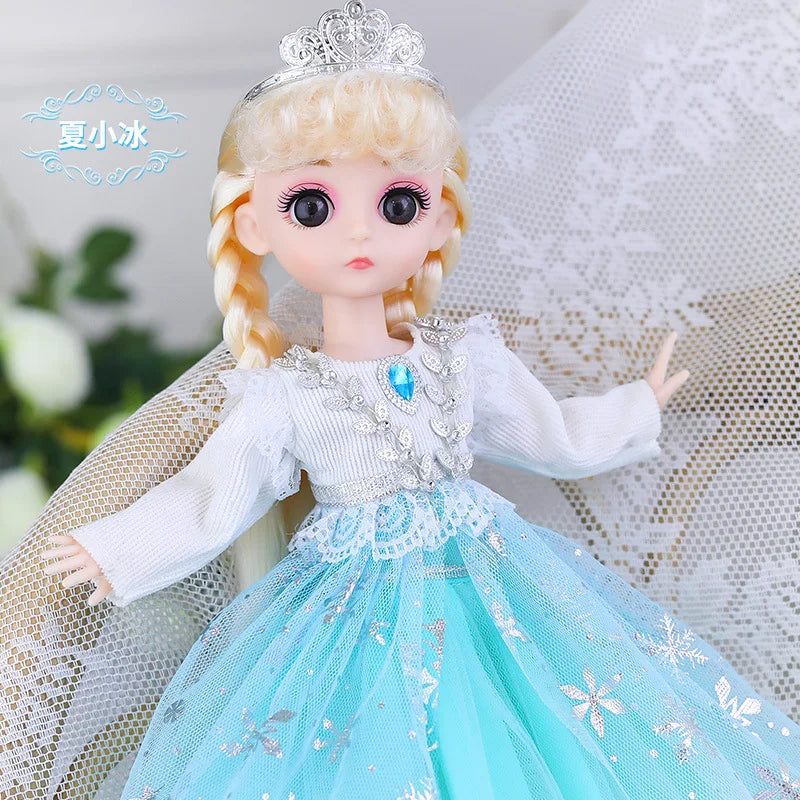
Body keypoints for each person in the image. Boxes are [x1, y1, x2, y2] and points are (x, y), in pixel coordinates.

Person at [38, 2, 799, 798]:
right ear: (255, 225)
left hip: (490, 585)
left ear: (437, 215)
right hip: (354, 611)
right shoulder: (284, 397)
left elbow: (553, 437)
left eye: (396, 203)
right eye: (313, 206)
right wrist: (117, 550)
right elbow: (212, 496)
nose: (358, 234)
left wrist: (637, 406)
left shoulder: (464, 362)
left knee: (540, 721)